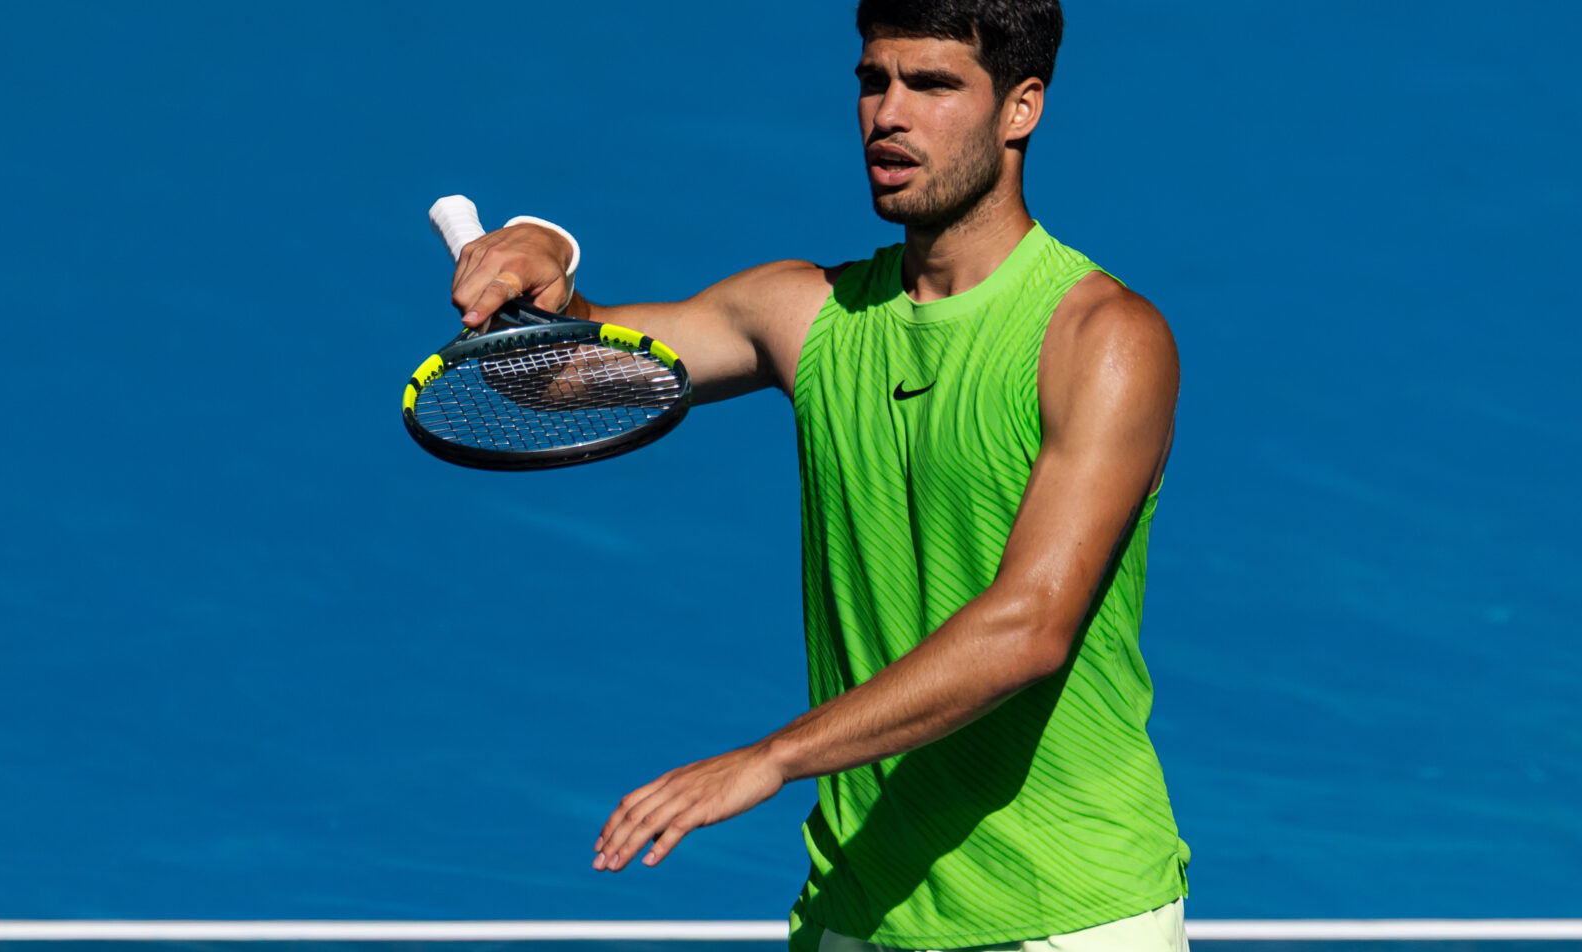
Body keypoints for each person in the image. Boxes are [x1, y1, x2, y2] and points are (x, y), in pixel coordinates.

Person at [446, 1, 1189, 949]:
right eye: (874, 82)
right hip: (858, 909)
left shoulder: (1102, 338)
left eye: (933, 85)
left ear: (1021, 108)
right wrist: (547, 256)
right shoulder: (806, 314)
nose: (890, 115)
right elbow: (551, 376)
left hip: (1070, 913)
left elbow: (1031, 627)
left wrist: (773, 758)